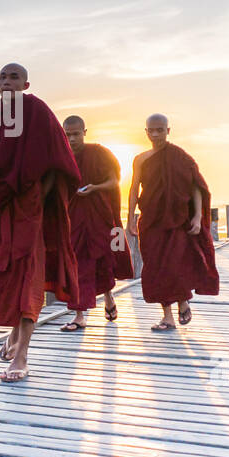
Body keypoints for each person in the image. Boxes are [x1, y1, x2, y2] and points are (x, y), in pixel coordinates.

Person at [0, 63, 81, 382]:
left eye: (14, 77)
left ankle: (22, 355)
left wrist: (36, 198)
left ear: (26, 84)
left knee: (28, 275)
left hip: (28, 209)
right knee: (2, 274)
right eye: (3, 76)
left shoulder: (37, 112)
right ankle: (13, 333)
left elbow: (58, 162)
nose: (7, 81)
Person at [126, 114, 219, 331]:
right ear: (146, 131)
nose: (156, 134)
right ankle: (167, 316)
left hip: (177, 220)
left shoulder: (181, 157)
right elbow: (134, 189)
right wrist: (130, 218)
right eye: (152, 130)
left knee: (176, 264)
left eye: (160, 129)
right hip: (151, 220)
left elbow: (196, 187)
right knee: (156, 268)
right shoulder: (141, 159)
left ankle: (183, 300)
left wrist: (197, 217)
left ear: (169, 130)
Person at [59, 116, 134, 330]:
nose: (72, 139)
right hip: (73, 218)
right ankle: (79, 315)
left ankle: (109, 295)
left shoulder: (99, 153)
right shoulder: (61, 156)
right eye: (67, 135)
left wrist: (94, 188)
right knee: (77, 263)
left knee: (103, 259)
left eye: (75, 134)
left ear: (84, 131)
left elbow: (114, 181)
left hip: (99, 214)